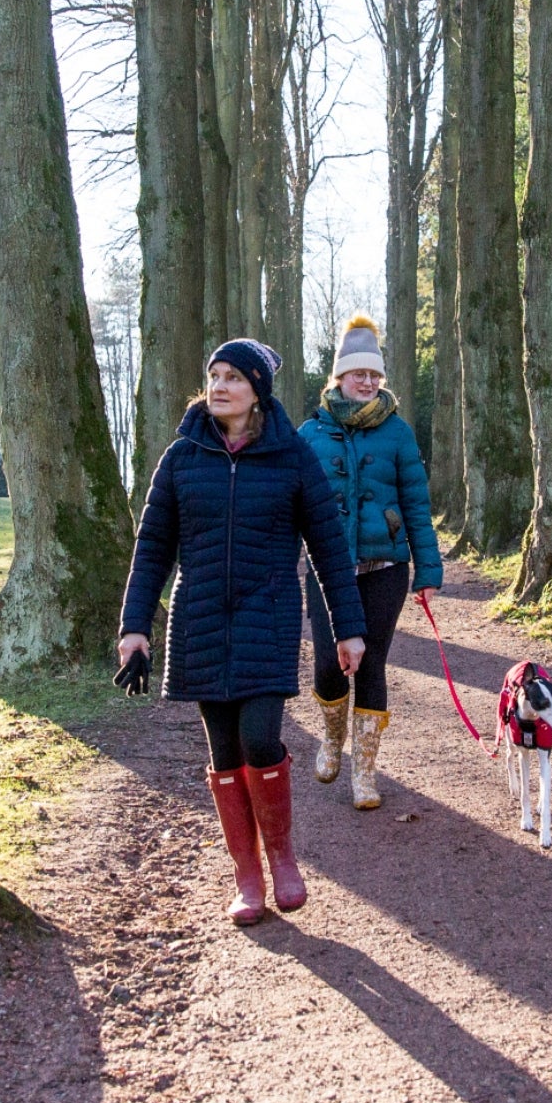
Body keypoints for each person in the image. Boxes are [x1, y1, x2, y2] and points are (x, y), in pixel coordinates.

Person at [118, 338, 368, 925]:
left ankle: (282, 857)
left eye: (234, 376)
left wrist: (348, 629)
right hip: (200, 618)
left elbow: (330, 549)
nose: (221, 385)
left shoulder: (292, 458)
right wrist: (134, 626)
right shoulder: (181, 458)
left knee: (260, 739)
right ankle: (246, 874)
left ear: (258, 390)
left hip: (268, 615)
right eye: (214, 374)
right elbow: (152, 547)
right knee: (224, 750)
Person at [298, 314, 444, 809]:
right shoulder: (310, 434)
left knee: (373, 664)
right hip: (326, 569)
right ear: (339, 376)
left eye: (374, 375)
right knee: (328, 663)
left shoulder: (398, 432)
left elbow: (417, 506)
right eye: (358, 373)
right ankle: (330, 738)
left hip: (386, 567)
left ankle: (364, 773)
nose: (366, 381)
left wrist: (427, 571)